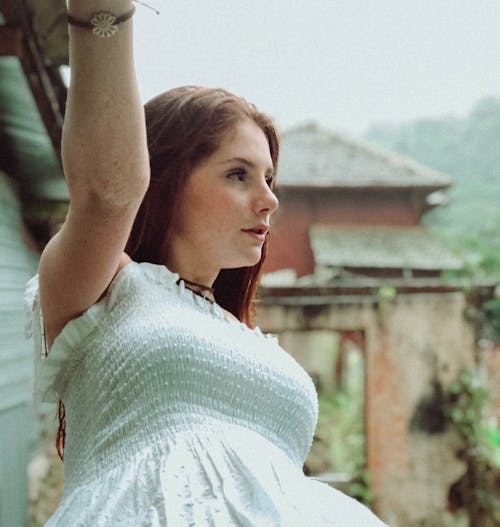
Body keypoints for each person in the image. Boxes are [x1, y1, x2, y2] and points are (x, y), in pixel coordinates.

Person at [25, 1, 389, 525]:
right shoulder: (104, 288)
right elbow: (108, 192)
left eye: (269, 179)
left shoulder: (245, 336)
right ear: (164, 178)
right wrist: (104, 12)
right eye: (238, 174)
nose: (269, 200)